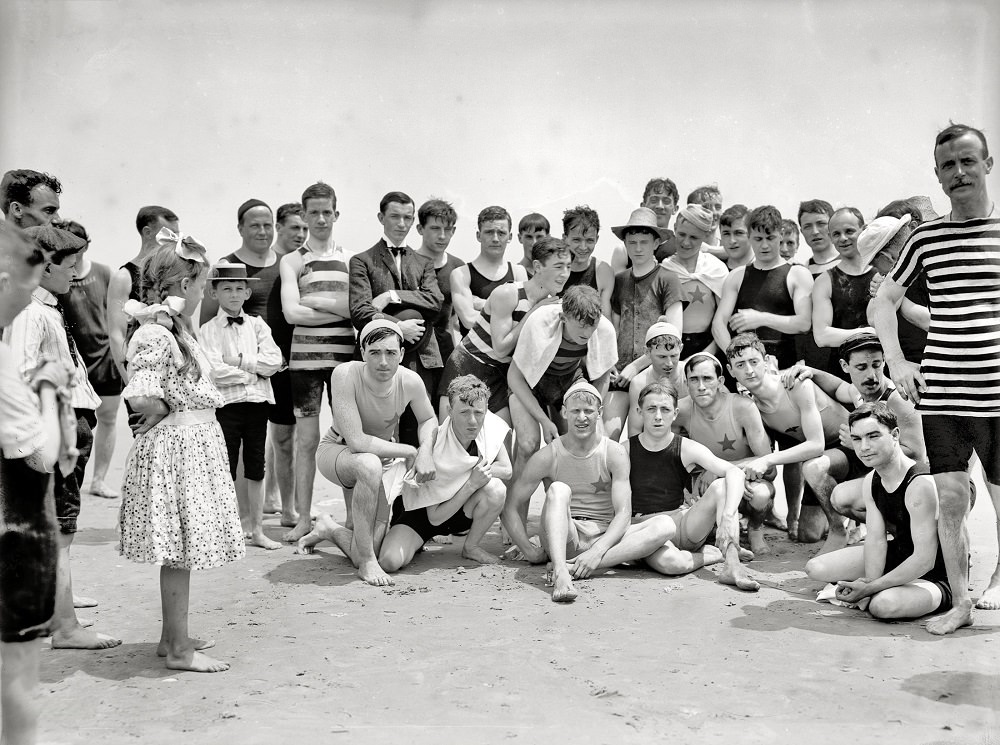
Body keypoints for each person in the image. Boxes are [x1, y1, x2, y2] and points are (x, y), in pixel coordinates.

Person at [871, 123, 1000, 634]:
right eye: (949, 166)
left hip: (997, 391)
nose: (960, 172)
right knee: (950, 499)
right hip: (944, 388)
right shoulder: (926, 238)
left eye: (969, 161)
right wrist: (898, 363)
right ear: (938, 176)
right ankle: (962, 602)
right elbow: (883, 300)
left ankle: (997, 583)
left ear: (988, 164)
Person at [119, 237, 245, 673]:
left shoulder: (174, 327)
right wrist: (166, 411)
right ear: (183, 282)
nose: (201, 293)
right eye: (200, 284)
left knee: (183, 549)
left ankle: (171, 637)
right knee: (180, 551)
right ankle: (177, 651)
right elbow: (140, 395)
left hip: (191, 445)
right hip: (179, 449)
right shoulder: (155, 331)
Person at [3, 226, 120, 651]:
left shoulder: (45, 306)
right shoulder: (32, 313)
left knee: (59, 530)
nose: (76, 273)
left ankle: (58, 610)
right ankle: (65, 628)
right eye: (70, 265)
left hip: (69, 423)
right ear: (45, 265)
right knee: (59, 533)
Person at [501, 381, 674, 603]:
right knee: (558, 489)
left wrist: (597, 551)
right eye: (575, 411)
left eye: (588, 411)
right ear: (564, 412)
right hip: (565, 535)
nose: (582, 417)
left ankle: (575, 566)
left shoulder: (614, 452)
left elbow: (623, 513)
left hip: (603, 537)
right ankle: (561, 571)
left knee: (665, 525)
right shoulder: (547, 456)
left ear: (599, 413)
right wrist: (529, 551)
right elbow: (510, 506)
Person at [295, 320, 437, 587]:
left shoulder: (410, 380)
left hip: (379, 460)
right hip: (338, 452)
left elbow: (428, 419)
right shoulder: (344, 374)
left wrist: (426, 451)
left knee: (372, 547)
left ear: (402, 354)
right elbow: (357, 441)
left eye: (391, 353)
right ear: (362, 353)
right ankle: (367, 563)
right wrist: (409, 450)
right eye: (374, 353)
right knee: (369, 464)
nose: (383, 362)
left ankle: (329, 529)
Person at [0, 221, 67, 745]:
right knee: (17, 685)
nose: (28, 300)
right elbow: (40, 456)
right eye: (24, 287)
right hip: (15, 533)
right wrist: (48, 388)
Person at [199, 199, 298, 529]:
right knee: (238, 450)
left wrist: (246, 362)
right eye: (254, 225)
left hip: (278, 368)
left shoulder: (285, 263)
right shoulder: (228, 265)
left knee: (283, 441)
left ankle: (288, 509)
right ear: (240, 227)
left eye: (268, 224)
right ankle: (242, 518)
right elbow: (208, 331)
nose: (262, 231)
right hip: (240, 387)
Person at [805, 403, 950, 622]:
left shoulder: (920, 484)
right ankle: (884, 585)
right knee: (815, 568)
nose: (864, 447)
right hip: (899, 555)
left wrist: (871, 588)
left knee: (883, 605)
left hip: (936, 573)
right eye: (857, 439)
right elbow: (875, 539)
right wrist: (868, 581)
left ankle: (897, 591)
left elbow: (925, 560)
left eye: (873, 436)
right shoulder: (872, 481)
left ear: (895, 435)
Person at [726, 333, 862, 553]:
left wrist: (767, 459)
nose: (749, 370)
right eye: (740, 365)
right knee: (807, 535)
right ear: (731, 371)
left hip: (852, 449)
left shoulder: (795, 385)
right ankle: (844, 511)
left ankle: (843, 527)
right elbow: (789, 457)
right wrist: (792, 514)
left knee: (813, 465)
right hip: (822, 463)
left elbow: (816, 444)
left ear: (767, 361)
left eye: (754, 362)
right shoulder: (752, 407)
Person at [627, 381, 759, 590]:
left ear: (675, 413)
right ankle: (711, 554)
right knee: (673, 564)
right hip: (647, 529)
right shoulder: (624, 450)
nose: (658, 416)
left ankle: (732, 564)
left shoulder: (685, 447)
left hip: (682, 524)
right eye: (651, 409)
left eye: (665, 409)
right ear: (639, 411)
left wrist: (727, 516)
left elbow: (733, 472)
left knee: (722, 486)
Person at [279, 182, 355, 543]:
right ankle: (302, 518)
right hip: (304, 365)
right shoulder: (292, 261)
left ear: (336, 214)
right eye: (313, 213)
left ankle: (354, 518)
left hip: (344, 363)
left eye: (327, 212)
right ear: (304, 215)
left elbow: (354, 309)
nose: (321, 219)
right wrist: (337, 307)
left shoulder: (352, 260)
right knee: (306, 442)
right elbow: (292, 313)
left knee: (347, 438)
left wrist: (318, 302)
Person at [379, 375, 510, 571]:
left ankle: (471, 547)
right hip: (421, 514)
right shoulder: (437, 447)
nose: (473, 421)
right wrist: (471, 483)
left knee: (496, 489)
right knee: (389, 562)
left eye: (478, 412)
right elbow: (435, 518)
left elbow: (507, 470)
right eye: (464, 412)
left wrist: (471, 475)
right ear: (449, 411)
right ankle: (328, 529)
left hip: (458, 512)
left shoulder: (488, 425)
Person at [437, 237, 571, 421]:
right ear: (538, 266)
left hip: (501, 374)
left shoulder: (550, 304)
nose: (564, 274)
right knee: (451, 440)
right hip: (469, 365)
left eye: (568, 267)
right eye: (558, 266)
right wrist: (533, 312)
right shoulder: (509, 293)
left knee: (501, 441)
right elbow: (500, 348)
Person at [349, 191, 444, 445]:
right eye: (395, 217)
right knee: (374, 431)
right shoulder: (362, 261)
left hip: (422, 357)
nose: (402, 224)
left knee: (419, 430)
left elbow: (435, 301)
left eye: (408, 218)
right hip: (378, 356)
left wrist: (392, 295)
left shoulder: (424, 262)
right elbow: (360, 311)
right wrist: (397, 328)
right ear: (381, 217)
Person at [200, 262, 283, 551]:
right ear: (214, 292)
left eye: (239, 289)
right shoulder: (208, 330)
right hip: (228, 406)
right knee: (226, 466)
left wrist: (238, 362)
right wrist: (252, 371)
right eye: (226, 288)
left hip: (258, 404)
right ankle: (228, 530)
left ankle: (258, 530)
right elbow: (212, 371)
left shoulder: (258, 325)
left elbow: (274, 362)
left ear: (247, 292)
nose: (233, 294)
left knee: (256, 466)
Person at [674, 352, 777, 555]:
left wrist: (720, 471)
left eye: (707, 379)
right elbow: (671, 458)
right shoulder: (681, 410)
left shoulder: (742, 407)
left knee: (761, 494)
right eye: (694, 379)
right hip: (707, 485)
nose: (701, 386)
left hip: (748, 479)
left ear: (720, 381)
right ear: (686, 383)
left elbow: (769, 466)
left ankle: (755, 529)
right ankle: (712, 529)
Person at [507, 285, 617, 473]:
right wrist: (544, 420)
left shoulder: (604, 328)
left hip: (569, 379)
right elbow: (514, 377)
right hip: (529, 382)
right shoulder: (539, 321)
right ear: (563, 318)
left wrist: (592, 414)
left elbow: (603, 378)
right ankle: (515, 501)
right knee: (528, 444)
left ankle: (565, 497)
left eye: (593, 325)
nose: (588, 333)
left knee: (586, 440)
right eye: (582, 326)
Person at [602, 207, 683, 440]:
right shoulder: (619, 280)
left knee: (648, 438)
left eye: (644, 242)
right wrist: (611, 363)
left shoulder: (668, 278)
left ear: (656, 242)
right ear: (625, 244)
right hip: (620, 375)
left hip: (654, 375)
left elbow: (673, 337)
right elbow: (613, 328)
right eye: (632, 242)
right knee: (609, 437)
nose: (638, 248)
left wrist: (637, 366)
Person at [57, 220, 123, 499]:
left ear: (86, 245)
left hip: (104, 360)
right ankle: (68, 480)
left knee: (107, 419)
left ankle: (98, 480)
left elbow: (118, 313)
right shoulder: (58, 275)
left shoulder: (104, 273)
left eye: (80, 244)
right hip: (72, 363)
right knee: (71, 423)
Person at [713, 205, 813, 370]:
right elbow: (718, 324)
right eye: (758, 239)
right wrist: (736, 359)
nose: (764, 246)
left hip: (783, 366)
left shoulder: (798, 274)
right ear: (749, 237)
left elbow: (804, 324)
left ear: (780, 235)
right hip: (745, 366)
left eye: (770, 238)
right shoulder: (737, 276)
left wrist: (761, 318)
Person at [263, 203, 307, 513]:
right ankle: (274, 501)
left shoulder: (305, 261)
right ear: (279, 227)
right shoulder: (270, 263)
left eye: (305, 229)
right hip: (269, 360)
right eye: (295, 228)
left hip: (298, 357)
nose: (301, 234)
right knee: (279, 435)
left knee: (283, 435)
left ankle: (274, 499)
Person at [107, 206, 180, 384]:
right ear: (147, 232)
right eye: (169, 234)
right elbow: (117, 335)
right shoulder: (124, 276)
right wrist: (130, 385)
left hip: (176, 373)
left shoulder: (175, 273)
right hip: (142, 376)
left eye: (176, 235)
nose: (174, 241)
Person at [414, 198, 465, 414]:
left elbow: (457, 319)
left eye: (447, 229)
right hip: (414, 349)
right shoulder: (408, 262)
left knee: (445, 413)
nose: (442, 236)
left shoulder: (458, 266)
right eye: (435, 228)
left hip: (445, 349)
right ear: (420, 228)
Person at [811, 207, 875, 376]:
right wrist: (866, 332)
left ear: (864, 229)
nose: (843, 238)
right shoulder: (825, 281)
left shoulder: (882, 272)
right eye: (836, 234)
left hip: (882, 367)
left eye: (849, 231)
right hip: (844, 372)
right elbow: (822, 336)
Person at [860, 208, 928, 364]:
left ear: (888, 257)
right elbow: (873, 318)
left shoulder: (933, 269)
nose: (876, 270)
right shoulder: (887, 278)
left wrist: (890, 295)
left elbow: (934, 323)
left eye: (874, 264)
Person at [661, 204, 728, 357]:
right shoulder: (664, 269)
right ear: (675, 228)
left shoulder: (715, 269)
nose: (686, 242)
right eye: (682, 234)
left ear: (704, 236)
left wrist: (707, 354)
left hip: (709, 348)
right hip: (670, 349)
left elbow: (724, 320)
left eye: (694, 237)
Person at [450, 206, 527, 336]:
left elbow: (524, 320)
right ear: (478, 235)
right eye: (489, 232)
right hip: (471, 354)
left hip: (509, 354)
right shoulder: (461, 274)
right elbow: (469, 320)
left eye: (501, 233)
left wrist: (482, 304)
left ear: (510, 237)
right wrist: (508, 310)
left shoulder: (518, 272)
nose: (495, 238)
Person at [626, 322, 687, 437]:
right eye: (662, 357)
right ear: (647, 352)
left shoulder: (691, 375)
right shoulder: (639, 383)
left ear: (681, 348)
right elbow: (635, 430)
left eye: (674, 356)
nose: (669, 363)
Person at [610, 177, 680, 271]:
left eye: (666, 201)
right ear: (643, 206)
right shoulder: (623, 250)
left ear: (675, 208)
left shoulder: (680, 249)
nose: (660, 206)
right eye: (654, 200)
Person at [559, 205, 614, 318]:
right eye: (576, 240)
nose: (583, 247)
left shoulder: (603, 271)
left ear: (596, 239)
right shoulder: (554, 269)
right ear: (565, 238)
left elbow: (605, 320)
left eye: (589, 240)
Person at [797, 199, 838, 274]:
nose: (815, 232)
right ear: (802, 231)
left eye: (821, 224)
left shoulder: (853, 263)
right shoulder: (803, 273)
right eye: (807, 226)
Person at [686, 184, 725, 256]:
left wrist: (709, 250)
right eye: (706, 208)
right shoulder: (683, 248)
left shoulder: (731, 249)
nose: (714, 213)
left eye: (718, 207)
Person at [719, 204, 753, 270]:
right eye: (726, 234)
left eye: (738, 233)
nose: (732, 241)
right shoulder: (714, 272)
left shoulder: (767, 269)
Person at [516, 213, 550, 278]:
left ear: (548, 238)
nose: (534, 243)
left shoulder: (555, 274)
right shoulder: (513, 275)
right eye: (529, 237)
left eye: (539, 237)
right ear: (520, 238)